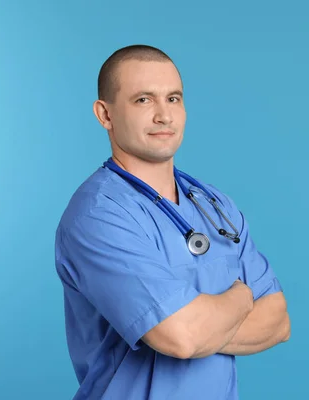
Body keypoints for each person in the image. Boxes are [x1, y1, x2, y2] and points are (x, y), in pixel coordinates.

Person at [54, 44, 291, 400]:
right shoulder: (98, 215)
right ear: (105, 114)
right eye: (143, 100)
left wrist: (201, 325)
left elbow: (277, 321)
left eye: (174, 99)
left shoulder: (214, 204)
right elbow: (181, 337)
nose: (164, 115)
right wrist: (242, 298)